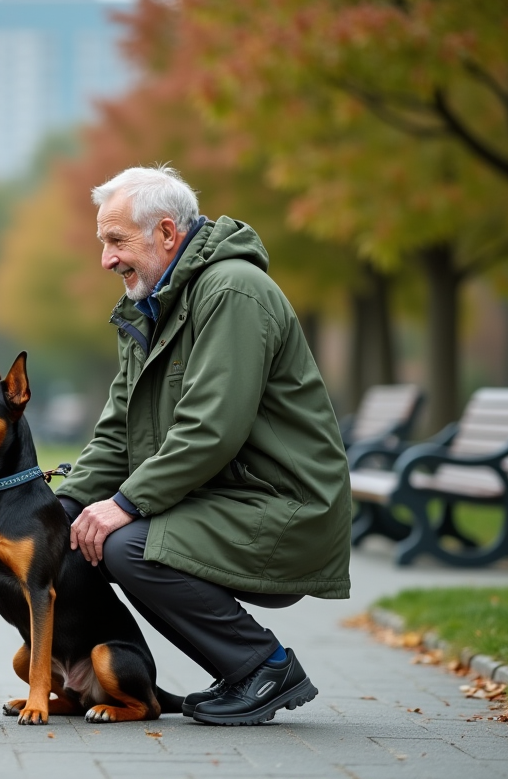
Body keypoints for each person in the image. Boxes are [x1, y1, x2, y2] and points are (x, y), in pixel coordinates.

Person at [56, 166, 351, 726]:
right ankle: (107, 680)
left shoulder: (233, 292)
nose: (106, 260)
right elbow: (118, 431)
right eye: (103, 243)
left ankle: (263, 666)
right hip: (227, 500)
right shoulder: (153, 308)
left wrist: (121, 506)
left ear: (167, 234)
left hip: (284, 507)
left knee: (127, 544)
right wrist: (59, 509)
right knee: (78, 534)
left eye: (116, 241)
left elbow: (211, 430)